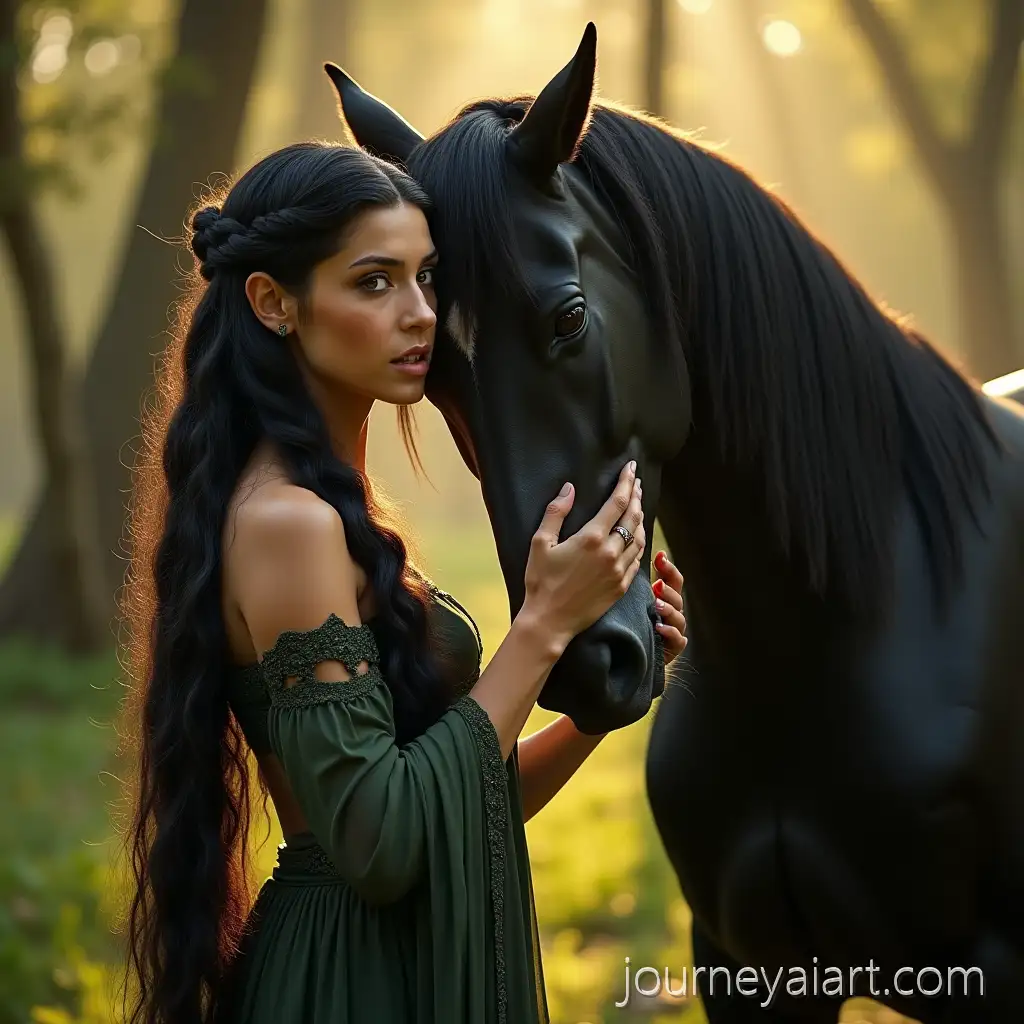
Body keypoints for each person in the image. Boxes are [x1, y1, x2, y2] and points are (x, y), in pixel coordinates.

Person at [119, 140, 688, 1024]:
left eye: (428, 278)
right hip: (351, 983)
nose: (420, 313)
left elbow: (452, 807)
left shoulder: (339, 511)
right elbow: (380, 846)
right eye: (375, 282)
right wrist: (539, 628)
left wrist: (594, 706)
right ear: (274, 303)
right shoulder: (287, 525)